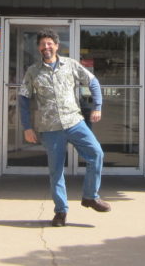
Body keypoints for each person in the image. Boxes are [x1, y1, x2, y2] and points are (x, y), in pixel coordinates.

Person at [18, 28, 111, 227]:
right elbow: (24, 98)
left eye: (50, 43)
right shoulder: (33, 71)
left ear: (57, 46)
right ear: (38, 48)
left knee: (97, 154)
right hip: (50, 128)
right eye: (42, 44)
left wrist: (98, 106)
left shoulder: (70, 65)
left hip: (75, 123)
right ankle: (60, 211)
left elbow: (93, 82)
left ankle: (90, 196)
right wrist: (27, 127)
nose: (46, 47)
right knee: (56, 171)